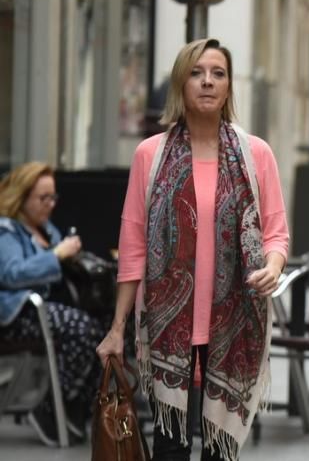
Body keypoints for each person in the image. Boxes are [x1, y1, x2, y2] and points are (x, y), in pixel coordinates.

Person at [96, 38, 289, 461]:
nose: (207, 82)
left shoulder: (256, 154)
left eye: (218, 74)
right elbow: (133, 247)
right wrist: (117, 328)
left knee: (220, 452)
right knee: (170, 447)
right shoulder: (151, 154)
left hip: (235, 321)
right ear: (181, 85)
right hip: (167, 330)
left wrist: (273, 266)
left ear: (228, 86)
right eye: (197, 73)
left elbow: (276, 233)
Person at [0, 162, 103, 447]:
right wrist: (56, 255)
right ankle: (51, 405)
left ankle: (72, 406)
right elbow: (11, 274)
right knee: (83, 330)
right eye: (42, 198)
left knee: (103, 336)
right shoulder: (6, 230)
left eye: (53, 197)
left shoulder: (45, 229)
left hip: (42, 313)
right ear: (21, 197)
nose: (50, 204)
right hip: (17, 315)